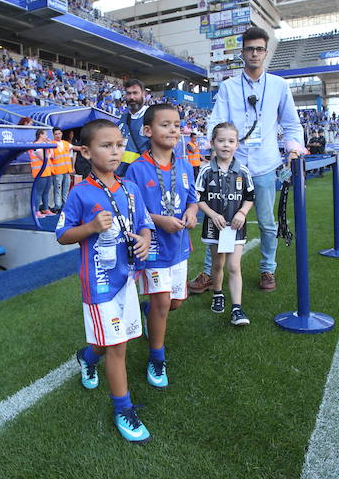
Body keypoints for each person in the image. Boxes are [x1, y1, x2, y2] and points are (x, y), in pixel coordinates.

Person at [55, 118, 154, 444]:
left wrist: (143, 239)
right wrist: (91, 228)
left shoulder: (130, 188)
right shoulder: (80, 193)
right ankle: (122, 408)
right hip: (99, 283)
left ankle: (86, 357)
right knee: (117, 346)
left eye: (119, 145)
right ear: (86, 150)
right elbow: (63, 235)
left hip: (128, 278)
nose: (114, 152)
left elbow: (143, 224)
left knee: (109, 341)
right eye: (106, 146)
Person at [190, 26, 305, 294]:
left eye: (259, 49)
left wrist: (293, 149)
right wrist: (215, 152)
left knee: (266, 222)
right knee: (218, 220)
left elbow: (291, 124)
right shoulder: (229, 86)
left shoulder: (278, 85)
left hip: (265, 166)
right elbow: (216, 121)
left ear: (266, 53)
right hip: (231, 167)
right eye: (249, 49)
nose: (254, 53)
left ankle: (268, 269)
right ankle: (210, 273)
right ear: (242, 52)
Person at [124, 104, 198, 388]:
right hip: (153, 247)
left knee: (176, 302)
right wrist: (159, 221)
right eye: (165, 124)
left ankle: (150, 312)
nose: (173, 130)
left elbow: (192, 199)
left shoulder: (184, 165)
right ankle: (157, 357)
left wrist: (191, 213)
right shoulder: (137, 169)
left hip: (178, 245)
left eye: (177, 125)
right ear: (148, 130)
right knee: (162, 303)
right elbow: (132, 209)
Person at [195, 123, 255, 325]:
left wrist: (242, 212)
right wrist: (212, 214)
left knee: (234, 265)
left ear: (237, 145)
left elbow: (250, 197)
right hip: (215, 226)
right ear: (212, 143)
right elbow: (199, 198)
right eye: (221, 141)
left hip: (235, 227)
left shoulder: (243, 171)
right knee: (218, 263)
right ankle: (218, 294)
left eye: (231, 141)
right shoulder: (205, 171)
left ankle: (237, 309)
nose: (226, 145)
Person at [49, 128, 79, 213]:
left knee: (66, 189)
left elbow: (75, 147)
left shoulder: (66, 143)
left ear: (62, 134)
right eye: (56, 134)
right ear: (53, 135)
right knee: (58, 189)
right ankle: (58, 206)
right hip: (58, 171)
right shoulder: (52, 144)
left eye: (59, 133)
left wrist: (86, 148)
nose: (58, 135)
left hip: (67, 170)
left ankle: (65, 205)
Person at [30, 129, 55, 217]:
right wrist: (50, 148)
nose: (47, 137)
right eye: (45, 135)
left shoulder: (44, 145)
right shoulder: (36, 145)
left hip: (47, 171)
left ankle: (46, 209)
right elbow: (44, 158)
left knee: (46, 192)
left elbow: (52, 156)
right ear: (40, 135)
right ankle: (36, 211)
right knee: (39, 192)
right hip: (39, 172)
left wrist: (50, 148)